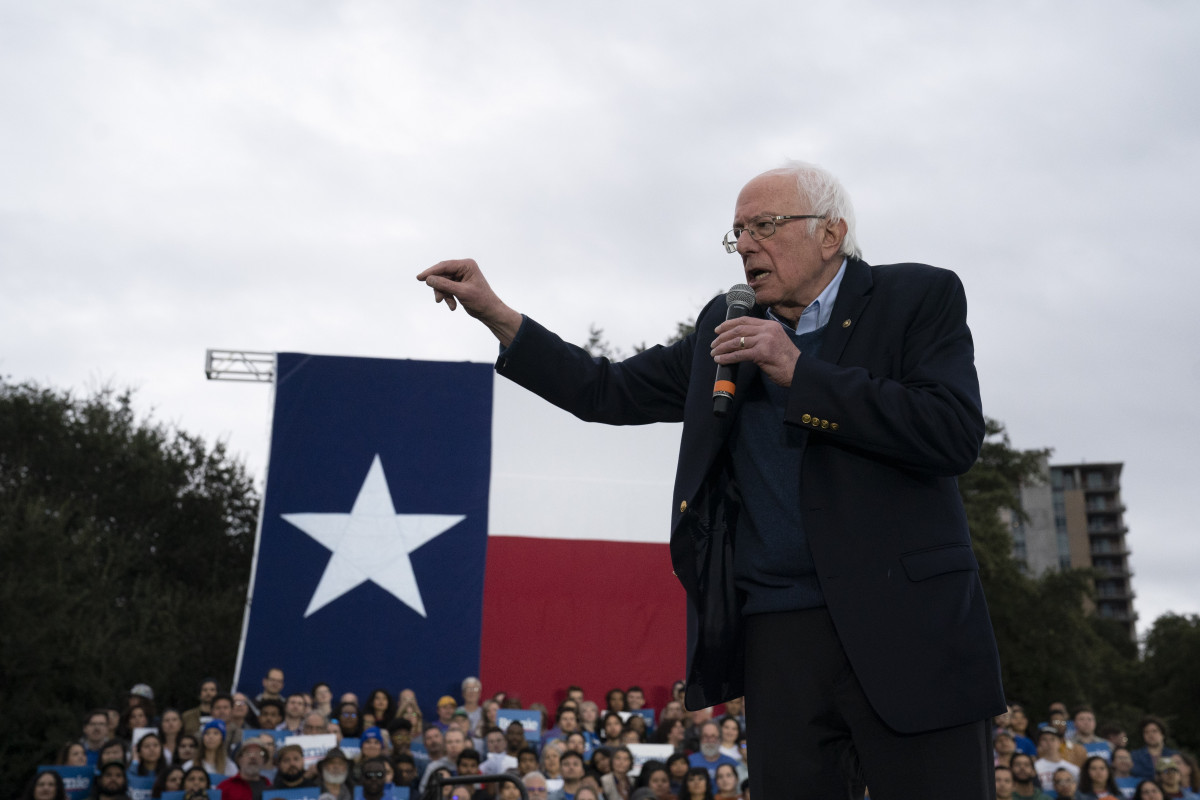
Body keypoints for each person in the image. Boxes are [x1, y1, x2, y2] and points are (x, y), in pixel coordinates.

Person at [417, 160, 1004, 799]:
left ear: (831, 234)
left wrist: (798, 370)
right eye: (738, 232)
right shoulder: (723, 328)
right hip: (778, 631)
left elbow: (950, 432)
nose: (746, 244)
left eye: (765, 225)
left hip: (908, 628)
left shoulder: (918, 297)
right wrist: (498, 314)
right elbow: (606, 390)